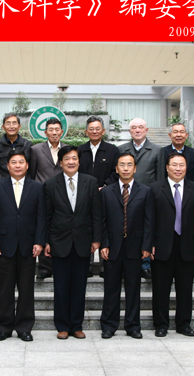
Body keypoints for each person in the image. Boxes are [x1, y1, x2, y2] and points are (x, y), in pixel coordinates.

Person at [44, 146, 103, 339]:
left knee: (79, 286)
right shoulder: (50, 184)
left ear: (79, 161)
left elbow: (96, 213)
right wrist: (46, 241)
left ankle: (76, 325)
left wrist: (96, 239)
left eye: (74, 158)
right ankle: (62, 326)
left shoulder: (90, 182)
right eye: (67, 159)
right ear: (60, 163)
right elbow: (46, 216)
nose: (71, 162)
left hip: (83, 241)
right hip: (59, 242)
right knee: (61, 287)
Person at [0, 151, 46, 342]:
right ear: (8, 166)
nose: (18, 165)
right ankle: (4, 327)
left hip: (29, 246)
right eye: (14, 162)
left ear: (27, 165)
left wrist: (39, 241)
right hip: (4, 245)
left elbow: (41, 217)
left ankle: (24, 327)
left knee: (26, 289)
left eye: (21, 162)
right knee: (5, 289)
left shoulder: (37, 187)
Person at [150, 152, 194, 337]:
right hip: (162, 245)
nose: (178, 168)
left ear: (186, 167)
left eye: (181, 165)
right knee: (160, 288)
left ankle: (184, 324)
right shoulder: (155, 188)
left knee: (185, 288)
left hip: (187, 245)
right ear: (167, 167)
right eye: (174, 165)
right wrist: (150, 244)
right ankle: (161, 324)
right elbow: (150, 219)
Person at [99, 153, 153, 339]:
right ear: (116, 168)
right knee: (111, 288)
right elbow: (102, 221)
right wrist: (104, 243)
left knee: (133, 288)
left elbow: (149, 221)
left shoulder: (145, 191)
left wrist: (146, 245)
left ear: (135, 168)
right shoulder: (106, 192)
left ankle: (133, 326)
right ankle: (109, 325)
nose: (126, 168)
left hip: (135, 247)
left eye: (129, 165)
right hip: (112, 247)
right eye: (122, 164)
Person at [118, 118, 163, 279]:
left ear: (146, 130)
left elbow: (160, 177)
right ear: (130, 131)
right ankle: (123, 265)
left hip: (147, 198)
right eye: (134, 128)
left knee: (146, 230)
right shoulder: (121, 149)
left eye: (141, 127)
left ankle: (145, 265)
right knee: (125, 229)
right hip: (125, 196)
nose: (137, 130)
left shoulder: (157, 150)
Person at [77, 115, 119, 277]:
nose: (94, 131)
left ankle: (104, 266)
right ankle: (86, 265)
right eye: (91, 129)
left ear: (103, 131)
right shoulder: (80, 150)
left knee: (105, 227)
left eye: (97, 129)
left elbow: (116, 172)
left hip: (106, 195)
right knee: (86, 228)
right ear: (86, 132)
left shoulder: (112, 150)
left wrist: (105, 187)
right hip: (84, 196)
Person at [29, 118, 67, 280]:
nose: (54, 133)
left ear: (62, 131)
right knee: (43, 228)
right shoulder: (36, 149)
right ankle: (44, 267)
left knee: (60, 229)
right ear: (45, 132)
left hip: (63, 195)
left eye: (57, 129)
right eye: (51, 130)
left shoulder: (68, 149)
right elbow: (32, 173)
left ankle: (59, 264)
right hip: (42, 195)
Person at [0, 113, 32, 180]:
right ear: (3, 127)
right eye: (8, 123)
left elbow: (31, 168)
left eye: (14, 123)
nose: (11, 126)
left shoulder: (27, 145)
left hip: (23, 183)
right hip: (2, 183)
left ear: (19, 126)